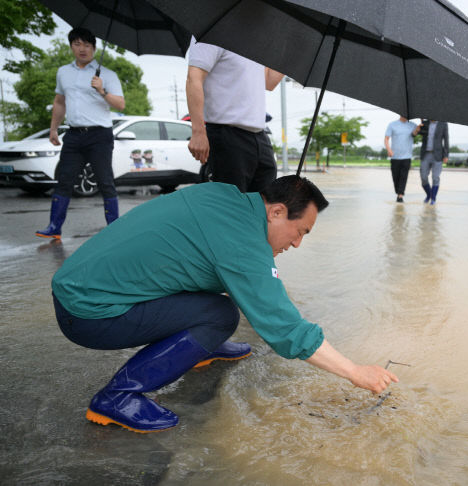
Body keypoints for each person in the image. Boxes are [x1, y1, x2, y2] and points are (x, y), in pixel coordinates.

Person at [51, 175, 399, 433]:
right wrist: (355, 372)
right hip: (89, 314)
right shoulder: (242, 244)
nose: (296, 244)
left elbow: (216, 264)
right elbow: (284, 328)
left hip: (78, 286)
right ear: (277, 211)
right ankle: (117, 397)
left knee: (217, 306)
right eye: (301, 231)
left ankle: (198, 349)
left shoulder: (222, 196)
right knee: (217, 316)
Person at [36, 28, 125, 239]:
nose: (82, 49)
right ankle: (54, 228)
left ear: (94, 48)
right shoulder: (63, 72)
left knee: (105, 181)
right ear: (71, 47)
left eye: (86, 45)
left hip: (100, 136)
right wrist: (53, 129)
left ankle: (115, 229)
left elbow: (120, 104)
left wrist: (102, 91)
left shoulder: (107, 75)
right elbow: (59, 102)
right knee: (65, 181)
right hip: (74, 135)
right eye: (77, 44)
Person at [186, 37, 284, 193]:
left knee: (265, 204)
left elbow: (268, 82)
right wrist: (198, 132)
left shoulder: (255, 39)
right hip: (226, 133)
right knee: (232, 206)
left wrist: (292, 51)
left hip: (259, 135)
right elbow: (194, 78)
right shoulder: (213, 32)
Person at [384, 116, 421, 202]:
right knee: (395, 177)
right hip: (395, 156)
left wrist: (419, 127)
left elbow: (414, 134)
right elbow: (386, 138)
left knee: (404, 176)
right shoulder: (392, 125)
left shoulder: (413, 125)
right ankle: (398, 192)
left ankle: (400, 195)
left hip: (407, 156)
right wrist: (389, 150)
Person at [419, 120, 449, 205]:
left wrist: (446, 155)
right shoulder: (425, 123)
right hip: (426, 154)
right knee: (423, 177)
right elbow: (418, 134)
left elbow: (446, 139)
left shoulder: (443, 124)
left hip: (438, 154)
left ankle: (433, 198)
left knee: (435, 177)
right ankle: (429, 195)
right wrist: (420, 127)